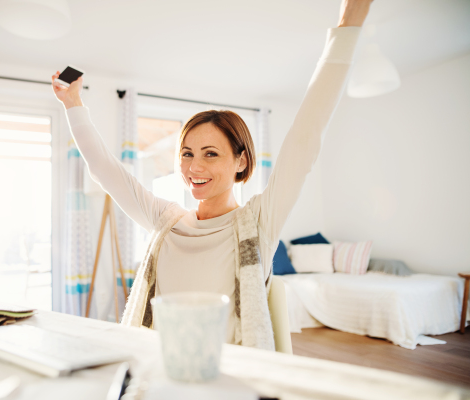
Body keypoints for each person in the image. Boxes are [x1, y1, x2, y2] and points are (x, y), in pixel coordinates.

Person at [52, 0, 373, 350]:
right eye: (187, 154)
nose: (195, 168)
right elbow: (105, 169)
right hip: (160, 373)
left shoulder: (258, 224)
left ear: (241, 161)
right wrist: (73, 105)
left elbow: (306, 134)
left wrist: (347, 24)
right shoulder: (166, 221)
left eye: (211, 154)